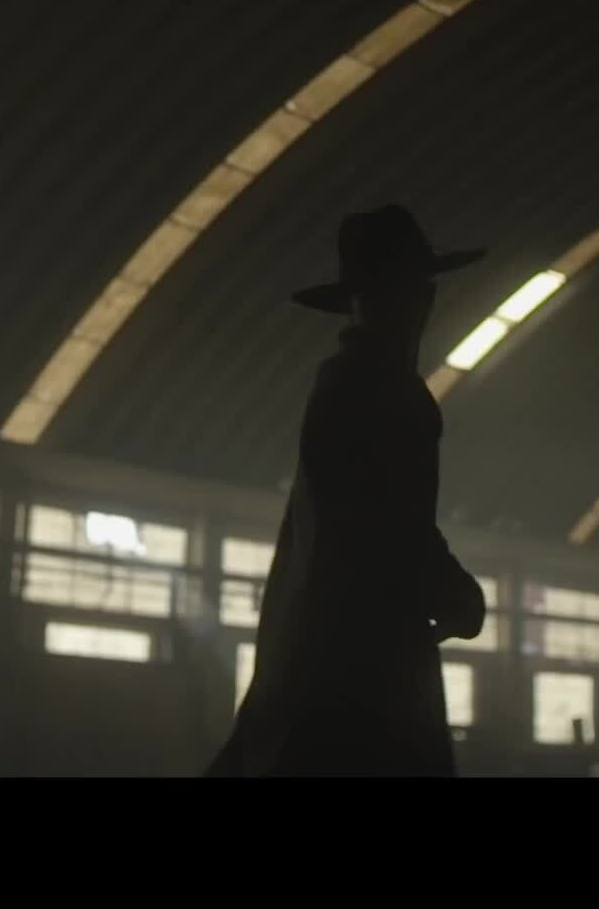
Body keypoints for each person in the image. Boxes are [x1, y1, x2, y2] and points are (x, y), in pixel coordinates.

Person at [207, 205, 488, 777]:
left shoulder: (349, 383)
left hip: (333, 658)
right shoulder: (377, 388)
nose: (420, 300)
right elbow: (385, 523)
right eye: (411, 286)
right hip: (365, 672)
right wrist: (454, 593)